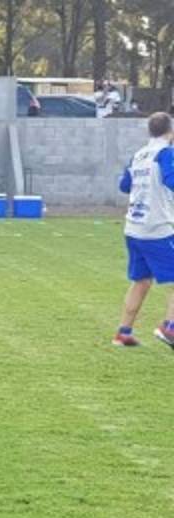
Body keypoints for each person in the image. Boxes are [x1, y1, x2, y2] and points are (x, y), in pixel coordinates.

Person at [112, 112, 174, 348]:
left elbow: (124, 185)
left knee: (141, 281)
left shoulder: (138, 155)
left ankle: (123, 333)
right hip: (155, 227)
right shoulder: (165, 153)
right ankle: (169, 328)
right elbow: (171, 180)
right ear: (170, 131)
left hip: (133, 227)